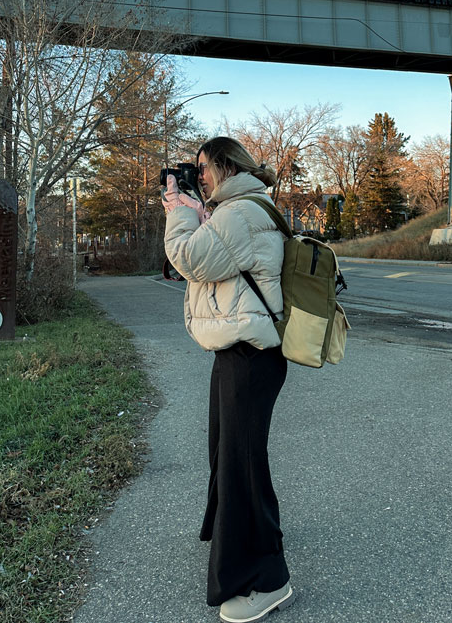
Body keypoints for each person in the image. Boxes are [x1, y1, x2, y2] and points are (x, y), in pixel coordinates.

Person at [162, 136, 294, 623]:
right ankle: (232, 531)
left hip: (251, 356)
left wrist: (178, 209)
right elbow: (208, 268)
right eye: (193, 172)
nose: (199, 177)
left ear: (223, 165)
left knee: (242, 465)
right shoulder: (236, 209)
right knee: (226, 451)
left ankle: (267, 579)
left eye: (202, 168)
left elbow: (189, 260)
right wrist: (196, 211)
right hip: (237, 351)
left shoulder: (241, 212)